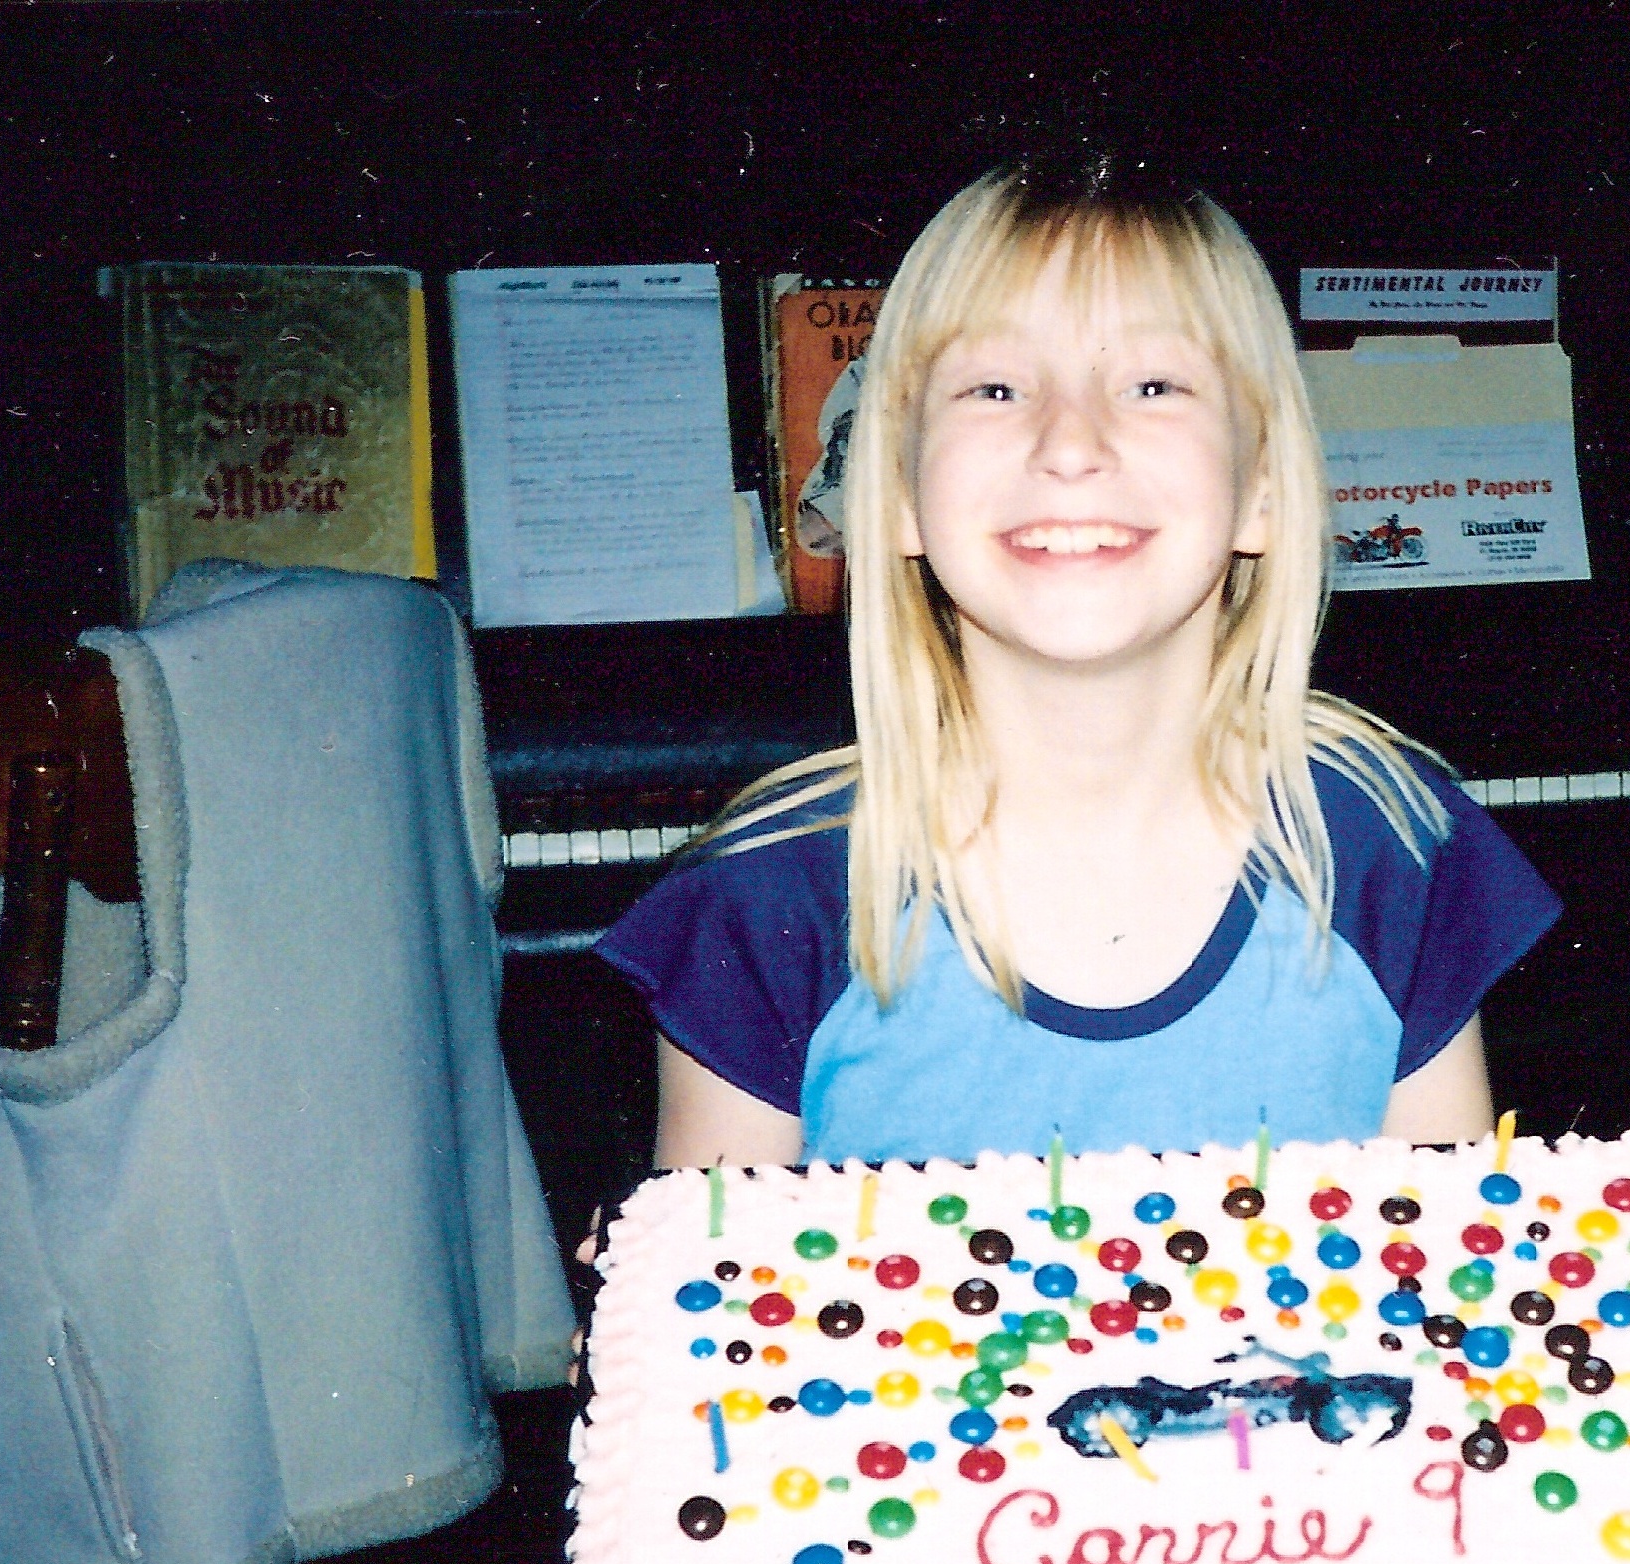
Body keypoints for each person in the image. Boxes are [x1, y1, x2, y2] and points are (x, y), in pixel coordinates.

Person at [596, 156, 1559, 1170]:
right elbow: (704, 1260)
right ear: (901, 495)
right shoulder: (763, 897)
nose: (1068, 442)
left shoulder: (1390, 843)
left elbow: (1457, 1250)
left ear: (1263, 489)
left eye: (1152, 384)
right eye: (995, 387)